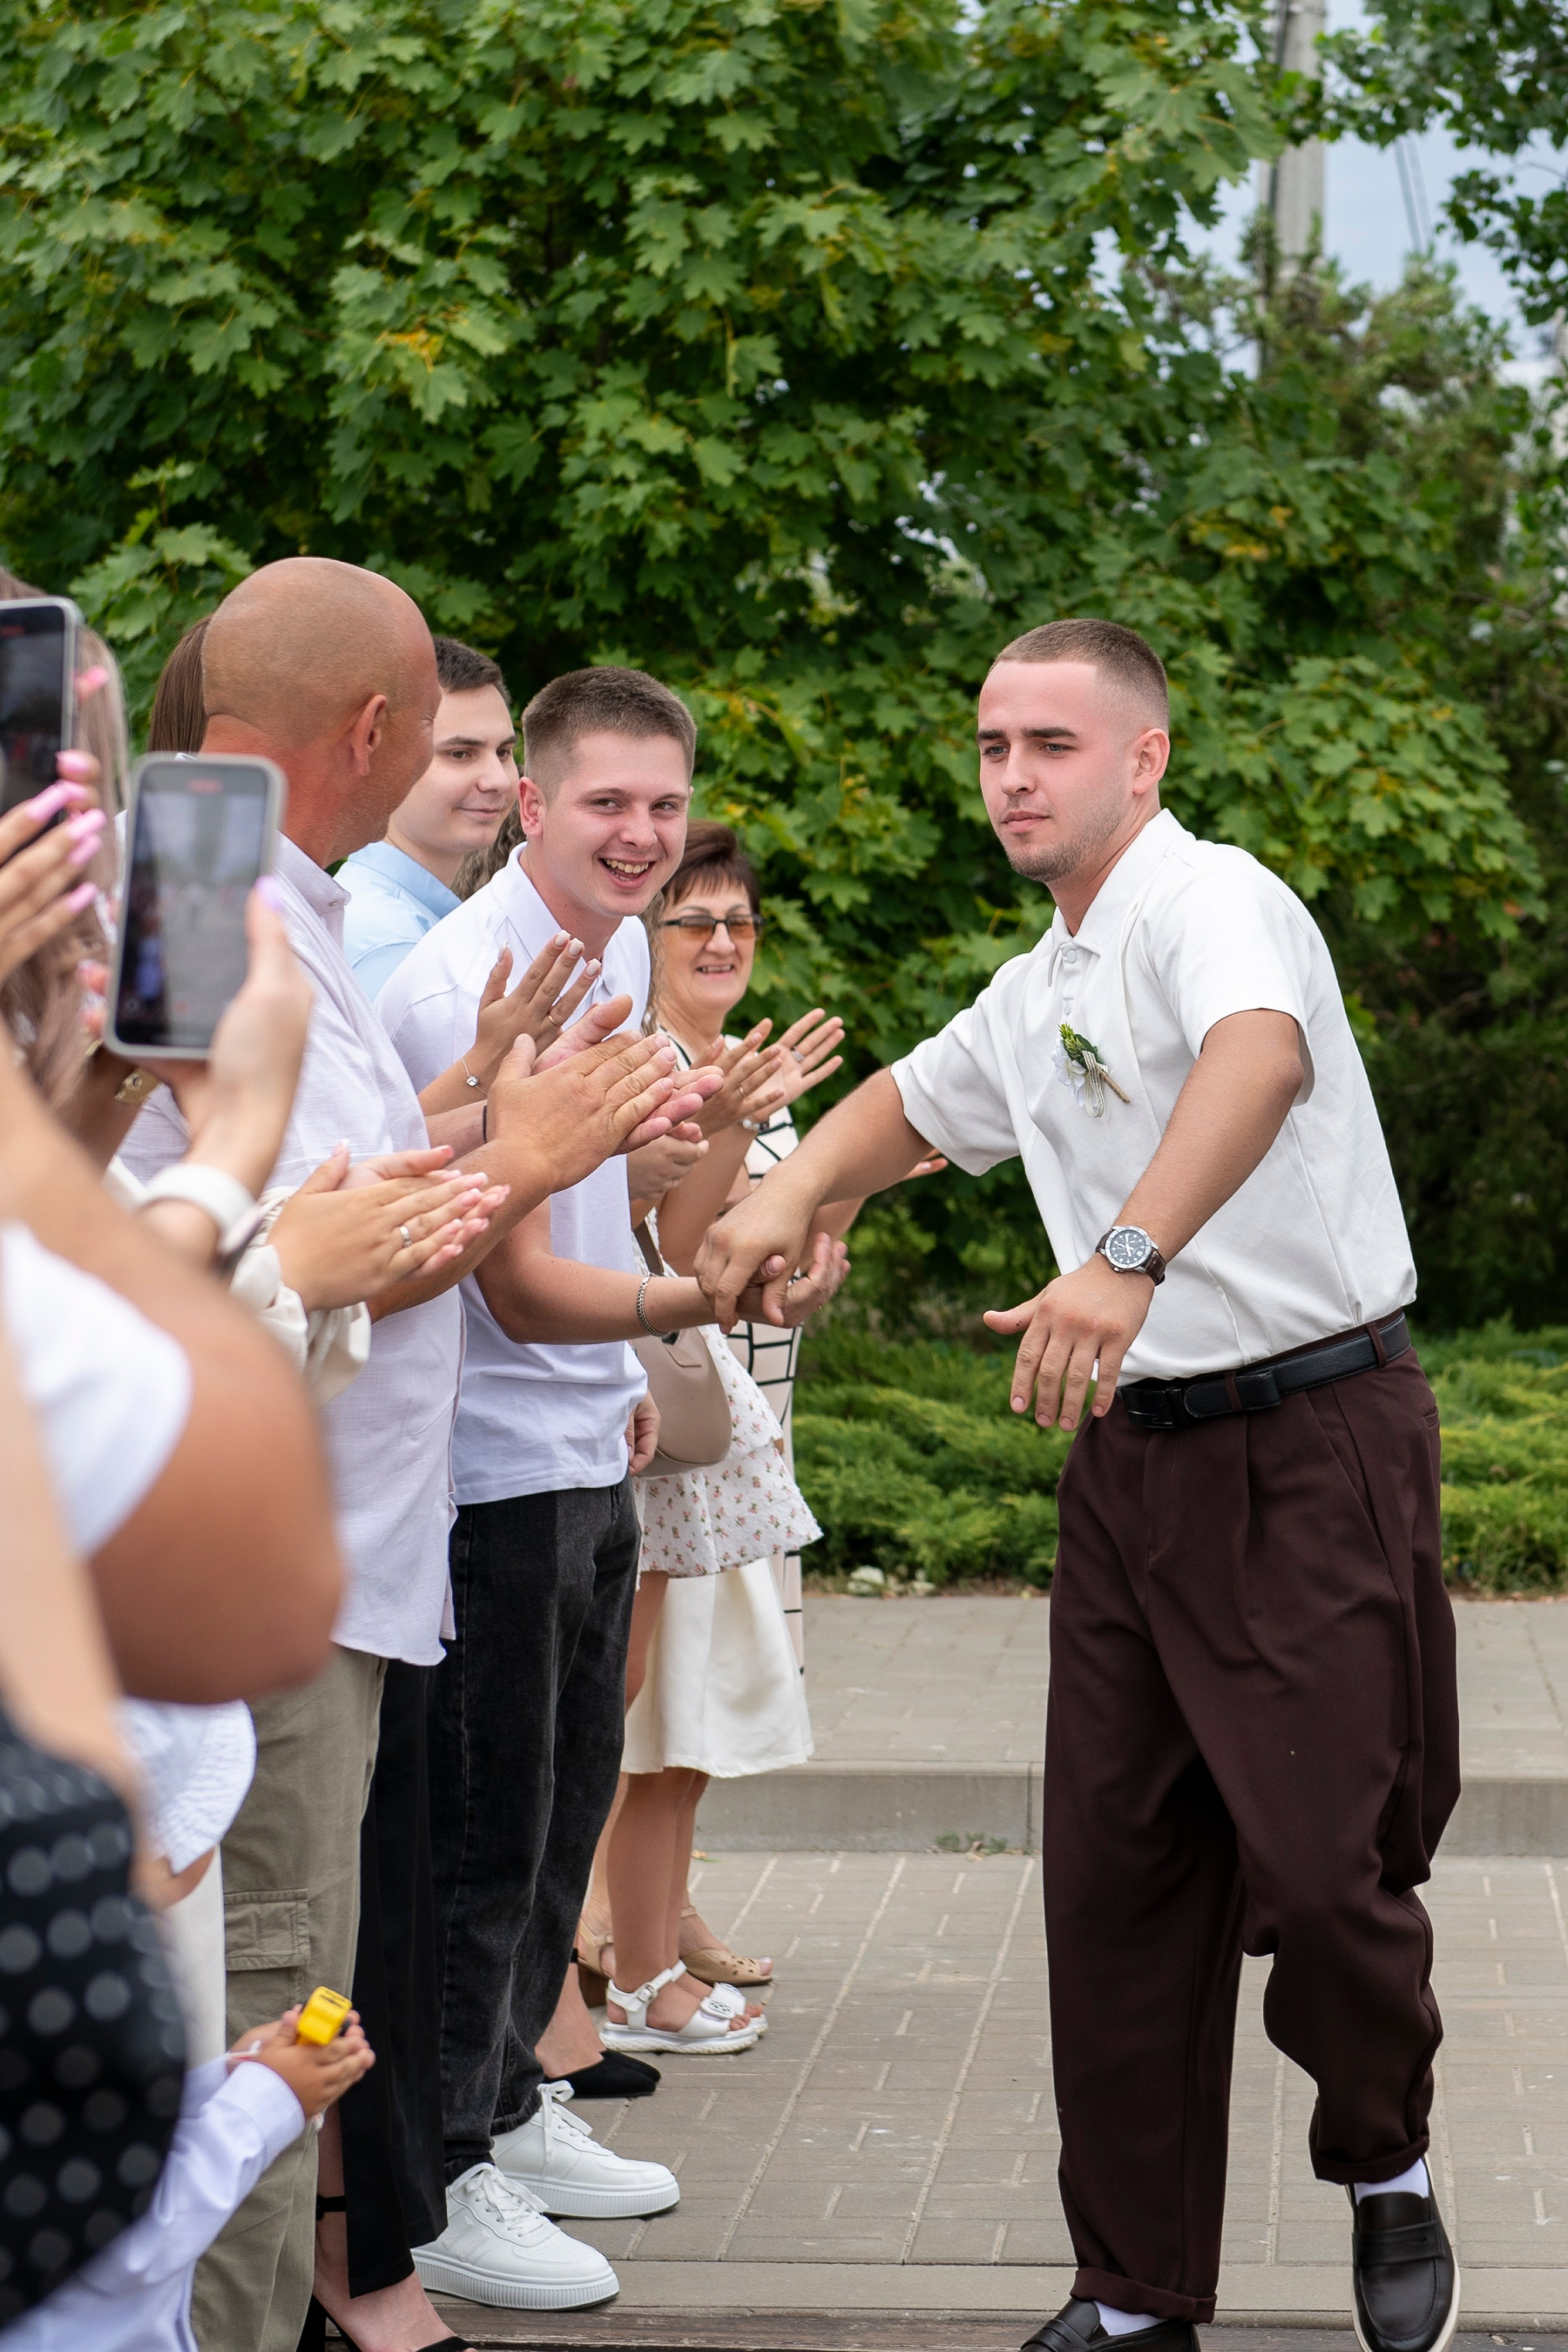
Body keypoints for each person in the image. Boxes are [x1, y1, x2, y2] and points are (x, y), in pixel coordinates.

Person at [697, 617, 1460, 2352]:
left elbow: (1257, 1061)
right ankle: (1131, 2293)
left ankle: (1384, 2153)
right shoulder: (1040, 979)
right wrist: (791, 1194)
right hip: (1130, 1469)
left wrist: (1122, 1255)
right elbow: (914, 1100)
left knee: (1327, 1876)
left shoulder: (1211, 903)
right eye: (991, 747)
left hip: (1311, 1438)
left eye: (1050, 743)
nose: (1012, 777)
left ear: (1143, 758)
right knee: (1116, 1891)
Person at [117, 562, 715, 2352]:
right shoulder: (214, 890)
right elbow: (302, 1252)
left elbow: (298, 1188)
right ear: (375, 729)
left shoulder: (241, 882)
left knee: (302, 1983)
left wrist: (483, 1112)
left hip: (320, 1558)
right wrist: (524, 1154)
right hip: (268, 1579)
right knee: (262, 2021)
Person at [376, 665, 846, 2307]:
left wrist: (721, 1210)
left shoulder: (623, 956)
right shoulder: (468, 982)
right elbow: (512, 1288)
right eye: (606, 802)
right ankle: (441, 2169)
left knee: (560, 1817)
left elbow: (625, 1210)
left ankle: (510, 2107)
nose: (641, 833)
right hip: (484, 1470)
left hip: (593, 1445)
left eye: (663, 802)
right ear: (533, 803)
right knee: (483, 1841)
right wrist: (683, 1303)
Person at [340, 637, 520, 996]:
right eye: (460, 754)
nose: (498, 780)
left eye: (503, 752)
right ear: (379, 758)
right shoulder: (391, 944)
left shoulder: (426, 918)